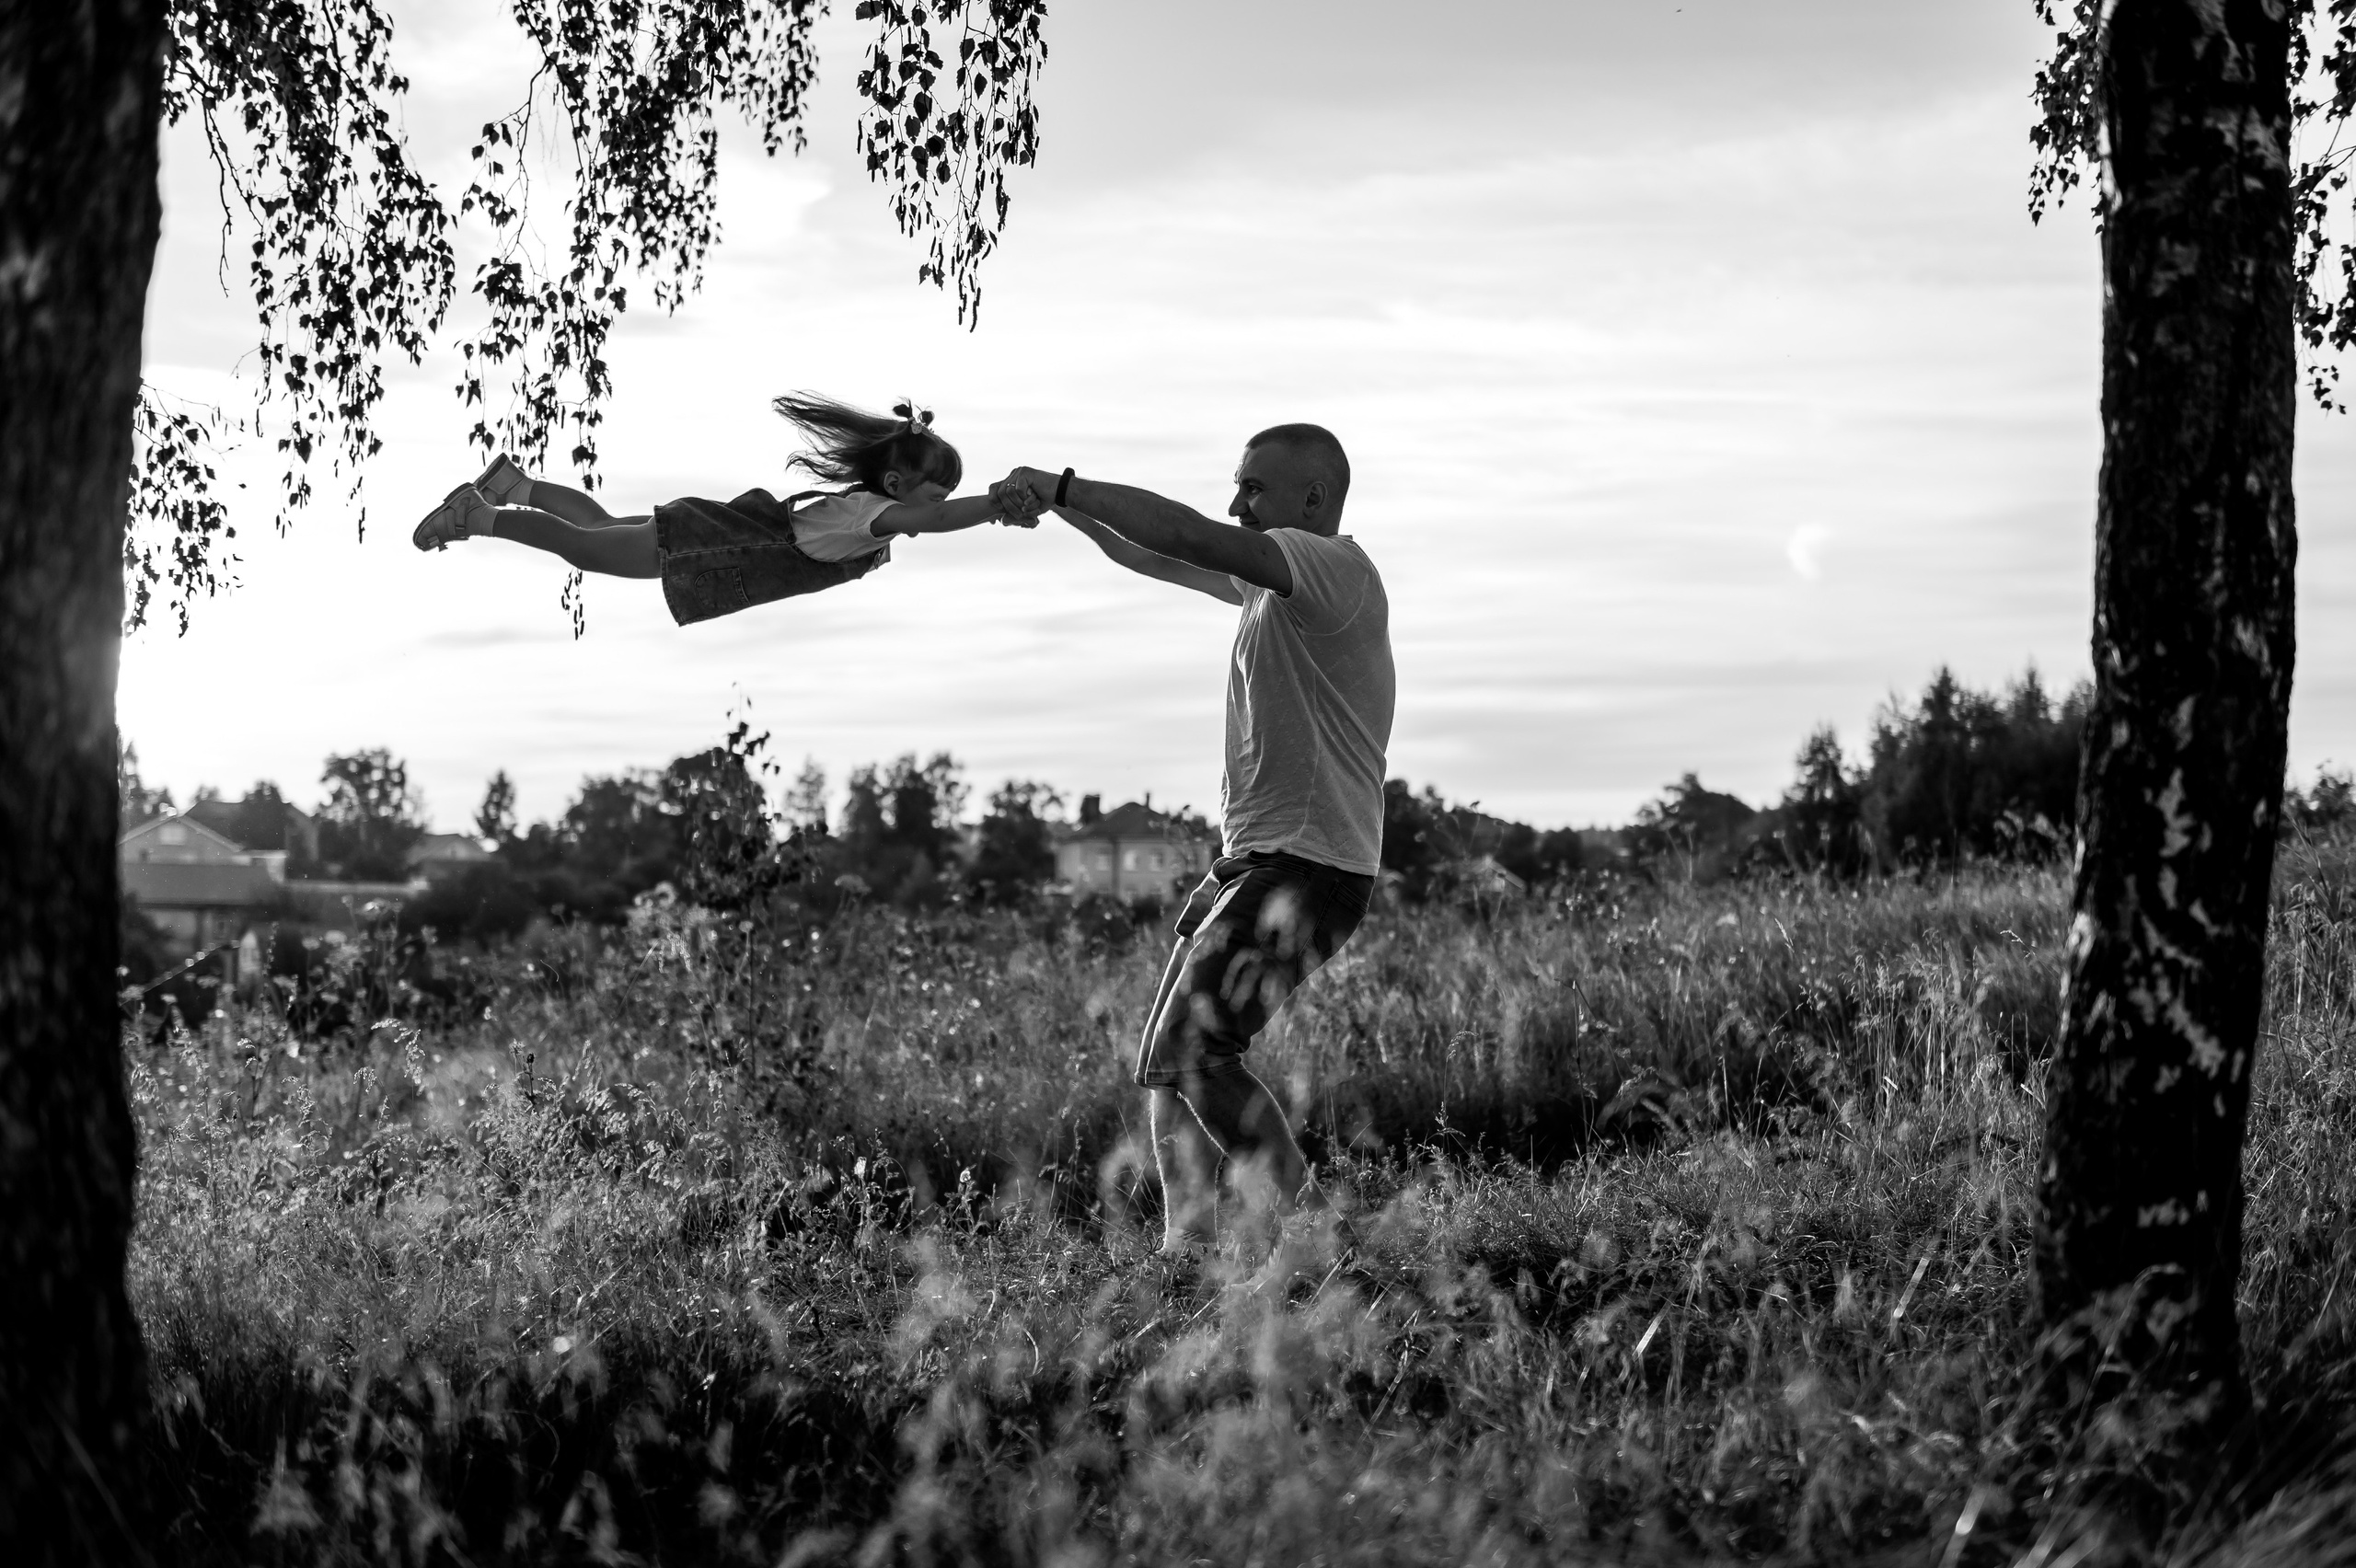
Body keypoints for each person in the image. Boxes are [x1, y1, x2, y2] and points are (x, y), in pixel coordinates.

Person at [999, 426, 1394, 1253]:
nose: (1235, 504)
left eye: (1252, 488)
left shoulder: (1330, 569)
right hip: (1254, 861)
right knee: (1166, 1066)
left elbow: (1180, 530)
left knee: (1196, 1051)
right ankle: (1187, 1257)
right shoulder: (1268, 590)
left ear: (1311, 500)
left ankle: (1319, 1246)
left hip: (1308, 865)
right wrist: (1058, 511)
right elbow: (1148, 556)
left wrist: (1063, 483)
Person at [410, 394, 1034, 625]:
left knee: (597, 527)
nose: (940, 508)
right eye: (935, 493)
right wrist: (998, 505)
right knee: (581, 547)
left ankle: (513, 485)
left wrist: (992, 510)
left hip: (703, 530)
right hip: (702, 545)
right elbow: (942, 522)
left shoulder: (870, 517)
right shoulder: (871, 514)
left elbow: (935, 517)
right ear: (898, 485)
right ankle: (477, 515)